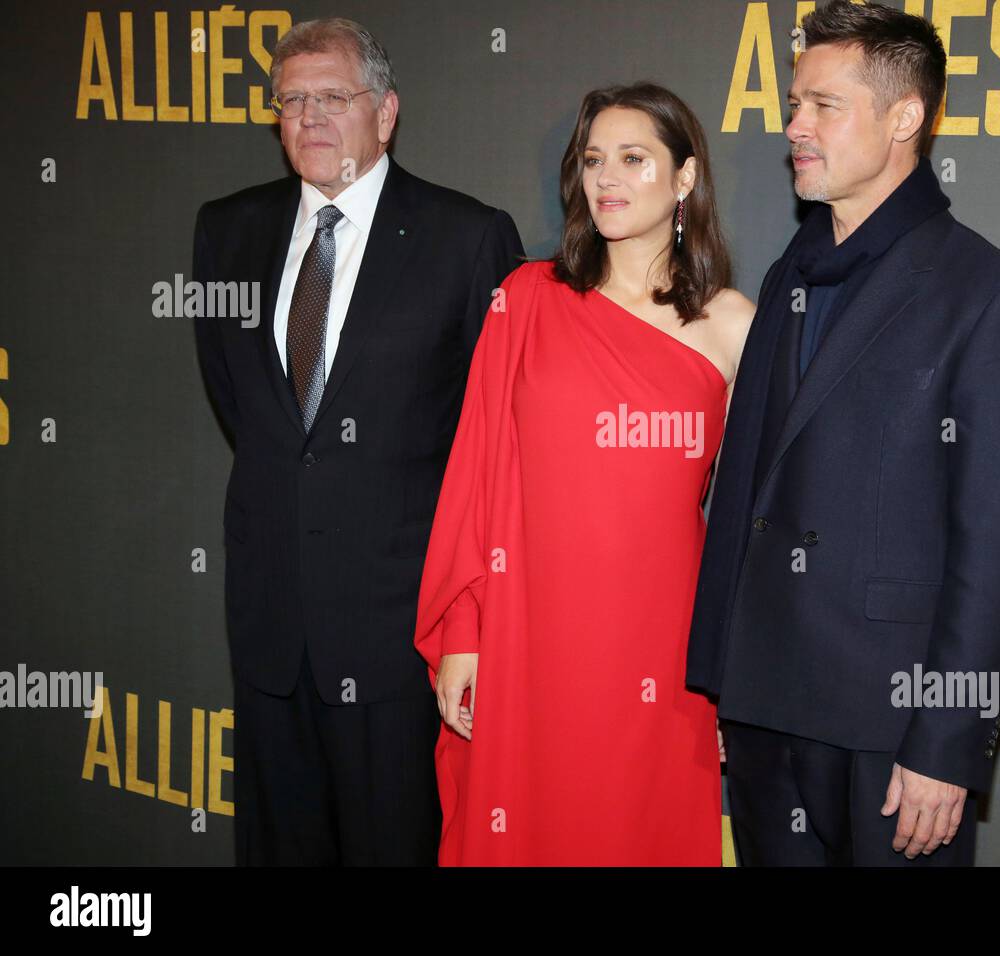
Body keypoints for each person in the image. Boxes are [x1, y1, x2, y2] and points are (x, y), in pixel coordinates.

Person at [687, 0, 1000, 866]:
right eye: (793, 103)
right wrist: (719, 685)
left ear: (904, 118)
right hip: (766, 713)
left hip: (891, 735)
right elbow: (744, 481)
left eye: (823, 105)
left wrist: (947, 743)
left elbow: (995, 550)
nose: (794, 127)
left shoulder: (989, 295)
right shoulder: (789, 270)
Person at [192, 17, 523, 865]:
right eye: (291, 100)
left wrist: (467, 622)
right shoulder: (225, 231)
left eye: (333, 98)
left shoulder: (468, 237)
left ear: (386, 112)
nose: (309, 118)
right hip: (269, 625)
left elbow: (490, 441)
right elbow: (252, 413)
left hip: (399, 632)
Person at [414, 82, 755, 865]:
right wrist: (463, 632)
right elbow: (477, 474)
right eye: (594, 159)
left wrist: (732, 675)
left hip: (663, 648)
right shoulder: (525, 300)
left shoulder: (733, 325)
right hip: (528, 634)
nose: (608, 178)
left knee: (639, 830)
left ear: (685, 178)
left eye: (635, 159)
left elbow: (746, 524)